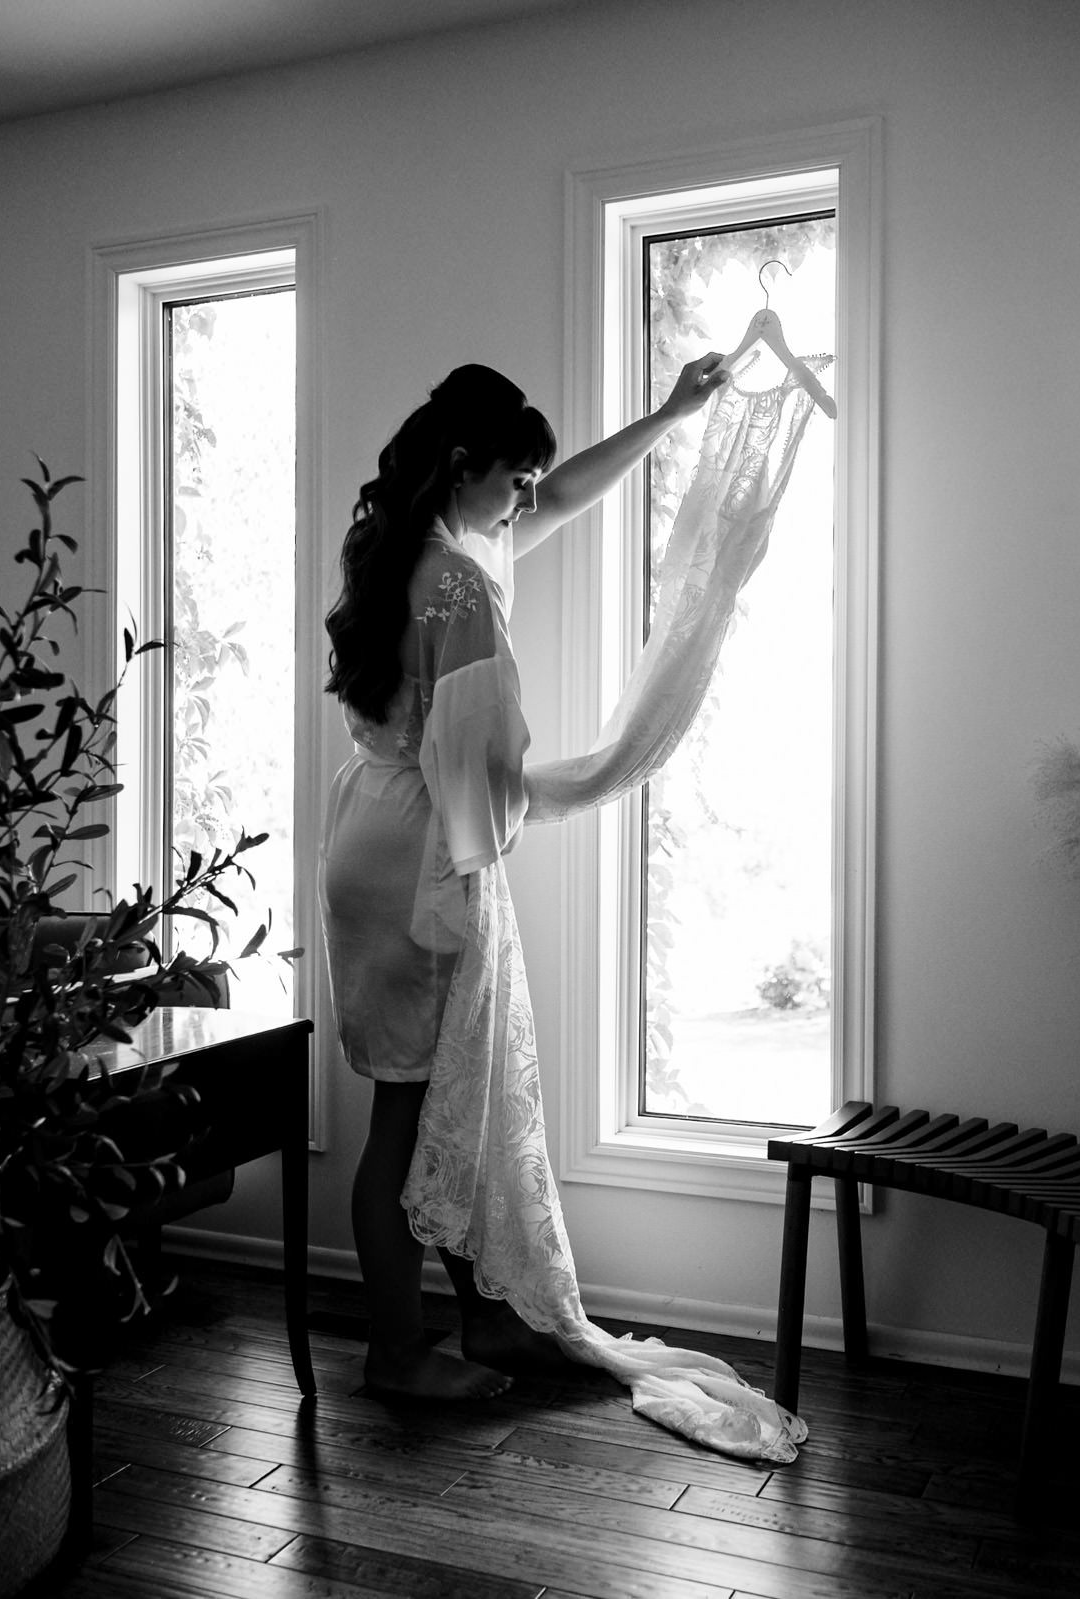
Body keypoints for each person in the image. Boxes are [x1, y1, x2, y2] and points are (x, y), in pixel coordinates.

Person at [321, 357, 727, 1400]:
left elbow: (570, 491)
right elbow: (477, 753)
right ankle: (399, 1356)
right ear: (466, 469)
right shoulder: (456, 580)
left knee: (448, 1092)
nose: (527, 499)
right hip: (426, 850)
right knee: (413, 1115)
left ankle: (482, 1324)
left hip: (371, 827)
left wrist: (672, 413)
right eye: (514, 480)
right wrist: (519, 813)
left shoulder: (405, 546)